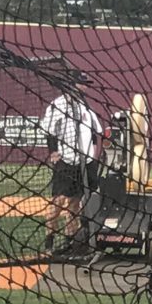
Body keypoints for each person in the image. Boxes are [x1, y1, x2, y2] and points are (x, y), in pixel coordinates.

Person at [40, 77, 105, 255]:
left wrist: (92, 152)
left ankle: (70, 242)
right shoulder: (58, 105)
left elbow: (94, 131)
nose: (85, 88)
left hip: (84, 161)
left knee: (75, 204)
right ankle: (49, 243)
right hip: (66, 161)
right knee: (58, 203)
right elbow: (49, 131)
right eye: (83, 83)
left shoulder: (85, 106)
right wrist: (53, 151)